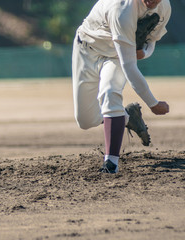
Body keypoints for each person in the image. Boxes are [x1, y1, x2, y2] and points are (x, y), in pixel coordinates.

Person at [72, 0, 171, 173]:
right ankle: (127, 117)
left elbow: (151, 40)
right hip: (86, 51)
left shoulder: (164, 8)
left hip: (116, 57)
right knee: (85, 121)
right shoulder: (122, 9)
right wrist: (153, 103)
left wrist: (145, 51)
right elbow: (130, 67)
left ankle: (111, 163)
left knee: (110, 93)